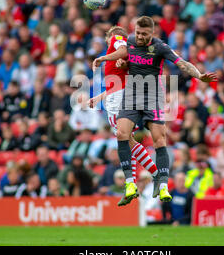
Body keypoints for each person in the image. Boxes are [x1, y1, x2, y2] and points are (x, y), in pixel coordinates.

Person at [93, 16, 217, 204]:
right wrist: (114, 61)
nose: (140, 37)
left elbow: (182, 63)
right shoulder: (131, 42)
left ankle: (161, 179)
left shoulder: (160, 47)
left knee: (159, 139)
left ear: (152, 33)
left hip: (152, 97)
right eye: (137, 33)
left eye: (144, 34)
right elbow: (125, 57)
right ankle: (130, 184)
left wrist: (199, 76)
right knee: (122, 135)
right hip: (132, 96)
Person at [89, 26, 158, 205]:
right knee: (129, 141)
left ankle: (156, 176)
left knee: (127, 141)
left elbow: (122, 49)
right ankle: (132, 185)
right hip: (122, 94)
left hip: (119, 98)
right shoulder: (124, 61)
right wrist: (99, 97)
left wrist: (103, 57)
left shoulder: (116, 39)